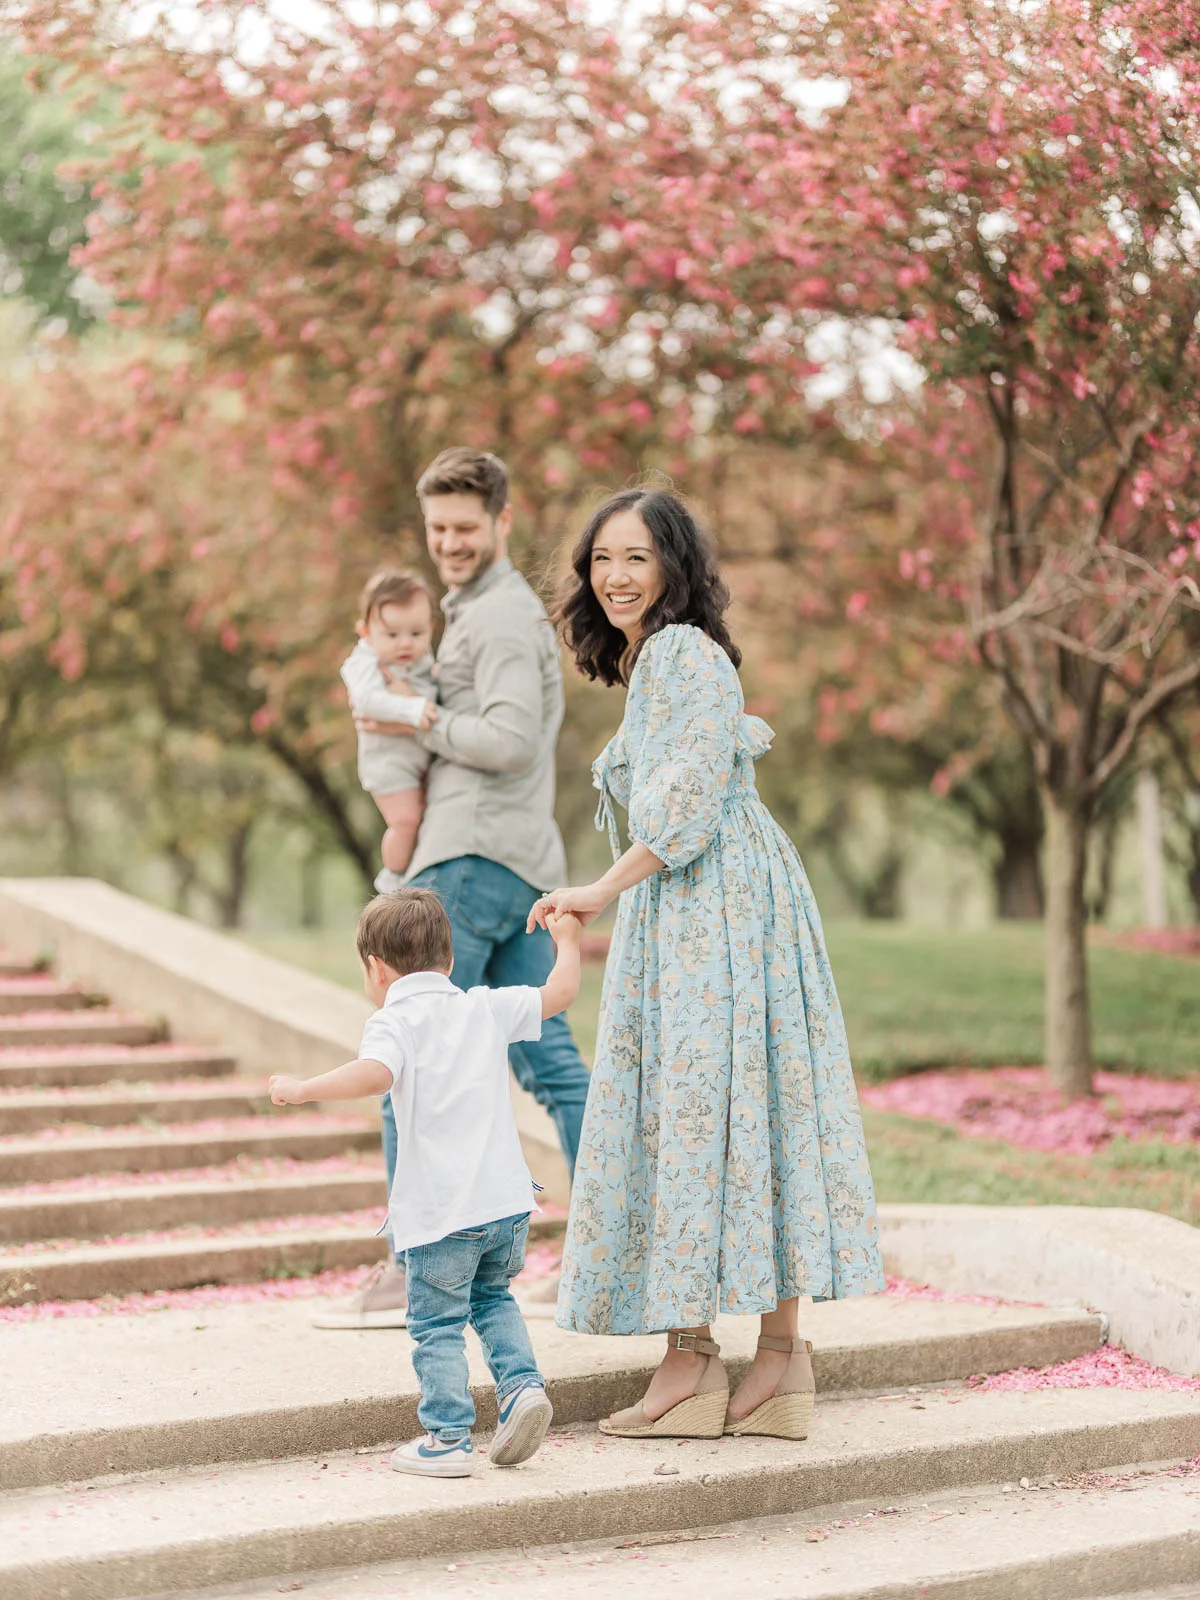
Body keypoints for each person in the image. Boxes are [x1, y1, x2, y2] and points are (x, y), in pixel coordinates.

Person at [529, 486, 885, 1442]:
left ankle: (691, 1365)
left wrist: (599, 891)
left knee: (690, 1111)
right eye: (602, 560)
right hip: (724, 901)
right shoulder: (672, 659)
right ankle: (780, 1365)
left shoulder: (679, 653)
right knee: (746, 1105)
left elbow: (683, 808)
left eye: (636, 558)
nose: (614, 578)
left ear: (676, 567)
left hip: (708, 907)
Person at [315, 447, 592, 1332]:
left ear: (504, 521)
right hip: (516, 861)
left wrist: (418, 717)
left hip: (466, 860)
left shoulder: (501, 617)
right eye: (437, 528)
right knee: (551, 1064)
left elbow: (509, 741)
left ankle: (409, 1275)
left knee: (410, 1051)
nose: (450, 543)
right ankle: (602, 1252)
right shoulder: (464, 610)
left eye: (466, 527)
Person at [269, 888, 584, 1478]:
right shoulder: (483, 1007)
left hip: (443, 1215)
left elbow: (375, 1073)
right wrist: (566, 941)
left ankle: (447, 1438)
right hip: (507, 1205)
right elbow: (560, 993)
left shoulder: (394, 1020)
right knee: (493, 1298)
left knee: (437, 1322)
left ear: (376, 969)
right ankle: (521, 1389)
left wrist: (305, 1087)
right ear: (450, 962)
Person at [340, 569, 440, 878]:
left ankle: (413, 873)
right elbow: (367, 701)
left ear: (430, 628)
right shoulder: (364, 663)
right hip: (388, 764)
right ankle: (394, 878)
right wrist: (412, 708)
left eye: (416, 633)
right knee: (406, 821)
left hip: (420, 758)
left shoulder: (423, 659)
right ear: (365, 632)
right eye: (392, 635)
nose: (405, 644)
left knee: (426, 819)